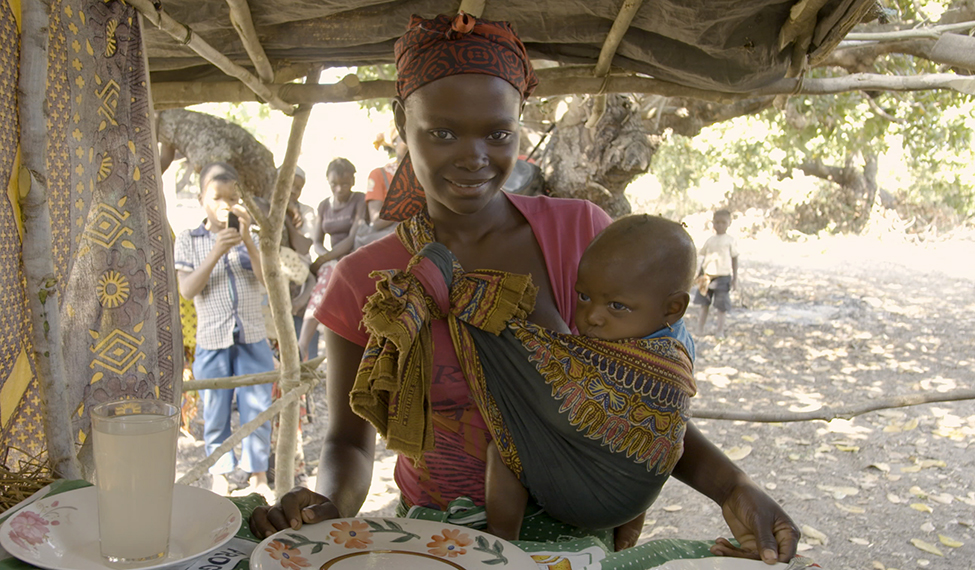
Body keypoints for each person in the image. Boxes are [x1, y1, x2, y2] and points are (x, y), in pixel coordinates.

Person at [251, 13, 798, 566]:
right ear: (401, 120)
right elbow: (348, 441)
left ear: (520, 125)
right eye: (442, 132)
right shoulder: (367, 282)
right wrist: (328, 505)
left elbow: (636, 402)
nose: (473, 157)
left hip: (568, 532)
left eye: (497, 133)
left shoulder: (582, 238)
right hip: (437, 540)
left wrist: (732, 487)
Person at [482, 214, 698, 542]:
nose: (592, 317)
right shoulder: (672, 337)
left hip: (607, 480)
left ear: (673, 308)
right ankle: (624, 540)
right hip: (634, 490)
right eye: (584, 297)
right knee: (652, 456)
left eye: (616, 306)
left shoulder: (656, 358)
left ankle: (500, 538)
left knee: (504, 450)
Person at [174, 163, 274, 498]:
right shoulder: (189, 240)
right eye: (217, 197)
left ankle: (258, 476)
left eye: (232, 198)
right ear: (202, 198)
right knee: (215, 410)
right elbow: (187, 289)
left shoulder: (252, 237)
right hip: (212, 340)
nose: (225, 205)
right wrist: (218, 249)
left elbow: (267, 280)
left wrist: (246, 238)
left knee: (257, 407)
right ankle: (219, 473)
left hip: (251, 336)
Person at [297, 158, 368, 359]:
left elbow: (353, 238)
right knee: (327, 277)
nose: (339, 189)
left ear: (353, 182)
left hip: (354, 257)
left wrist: (328, 258)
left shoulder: (359, 200)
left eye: (344, 184)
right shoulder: (323, 206)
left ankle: (303, 342)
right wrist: (325, 258)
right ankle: (303, 344)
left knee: (331, 274)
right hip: (331, 262)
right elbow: (317, 242)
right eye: (334, 184)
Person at [694, 209, 739, 337]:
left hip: (722, 278)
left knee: (721, 306)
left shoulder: (730, 240)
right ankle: (700, 329)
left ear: (729, 223)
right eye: (717, 222)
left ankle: (720, 330)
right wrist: (699, 274)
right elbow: (705, 258)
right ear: (712, 223)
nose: (719, 225)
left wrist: (735, 278)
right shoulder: (710, 240)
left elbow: (735, 258)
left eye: (723, 222)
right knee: (703, 304)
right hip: (707, 276)